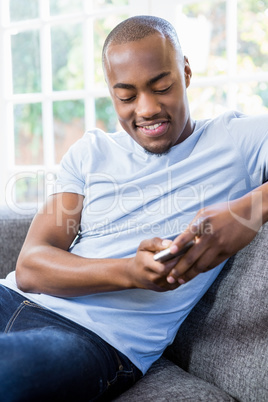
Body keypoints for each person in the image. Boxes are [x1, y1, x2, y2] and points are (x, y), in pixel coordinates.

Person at [0, 15, 268, 401]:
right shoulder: (91, 152)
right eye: (126, 96)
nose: (146, 109)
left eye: (162, 87)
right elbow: (30, 267)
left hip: (93, 339)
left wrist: (248, 211)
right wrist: (128, 271)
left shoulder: (237, 140)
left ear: (186, 73)